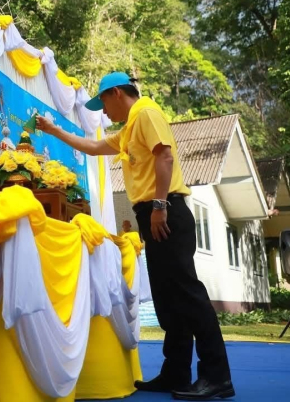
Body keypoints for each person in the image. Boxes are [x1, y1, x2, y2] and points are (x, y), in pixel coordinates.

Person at [36, 72, 234, 401]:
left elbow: (164, 156)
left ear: (117, 93)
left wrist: (159, 205)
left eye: (104, 103)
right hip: (154, 214)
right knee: (168, 298)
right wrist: (55, 130)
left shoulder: (146, 113)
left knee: (188, 294)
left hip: (166, 212)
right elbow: (95, 147)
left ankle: (217, 376)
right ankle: (176, 372)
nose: (104, 111)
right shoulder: (130, 128)